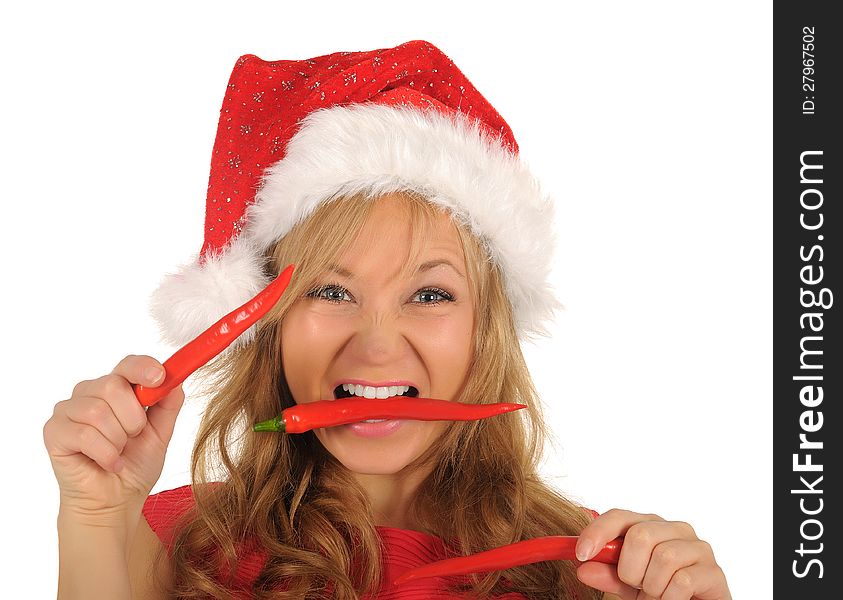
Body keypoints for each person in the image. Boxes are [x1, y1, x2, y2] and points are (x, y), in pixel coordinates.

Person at [43, 41, 732, 600]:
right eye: (330, 292)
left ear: (484, 326)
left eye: (429, 295)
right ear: (269, 324)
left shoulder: (600, 573)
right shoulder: (174, 546)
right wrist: (95, 516)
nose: (374, 349)